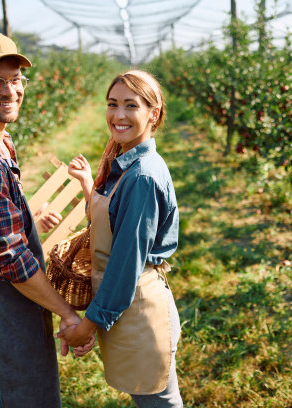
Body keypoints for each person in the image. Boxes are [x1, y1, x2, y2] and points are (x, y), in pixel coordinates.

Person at [0, 31, 93, 408]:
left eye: (15, 79)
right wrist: (67, 313)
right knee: (21, 395)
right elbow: (11, 260)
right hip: (0, 309)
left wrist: (29, 219)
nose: (10, 90)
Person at [59, 70, 183, 407]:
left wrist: (88, 325)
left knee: (159, 401)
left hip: (137, 307)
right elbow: (110, 224)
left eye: (131, 105)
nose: (118, 115)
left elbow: (125, 265)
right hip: (124, 306)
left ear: (152, 113)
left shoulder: (142, 176)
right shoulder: (124, 164)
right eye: (112, 104)